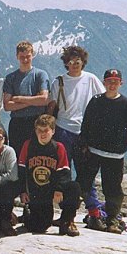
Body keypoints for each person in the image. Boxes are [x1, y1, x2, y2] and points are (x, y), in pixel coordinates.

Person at [76, 69, 127, 234]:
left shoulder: (125, 104)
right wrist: (82, 143)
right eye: (109, 81)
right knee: (82, 184)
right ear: (104, 82)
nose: (112, 84)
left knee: (112, 189)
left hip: (115, 155)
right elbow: (86, 125)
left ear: (121, 83)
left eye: (115, 81)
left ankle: (112, 219)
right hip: (93, 151)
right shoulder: (96, 101)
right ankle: (76, 215)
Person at [46, 46, 105, 225]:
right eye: (71, 62)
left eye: (77, 62)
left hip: (84, 132)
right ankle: (68, 214)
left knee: (85, 174)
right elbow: (51, 106)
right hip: (63, 129)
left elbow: (102, 101)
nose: (74, 65)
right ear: (66, 63)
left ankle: (94, 212)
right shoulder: (59, 82)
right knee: (64, 173)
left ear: (82, 62)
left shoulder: (91, 79)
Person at [18, 115, 81, 237]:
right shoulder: (28, 145)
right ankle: (29, 215)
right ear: (35, 130)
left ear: (53, 131)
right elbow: (21, 170)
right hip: (36, 190)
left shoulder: (58, 147)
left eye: (46, 130)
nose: (42, 134)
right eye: (39, 130)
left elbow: (64, 172)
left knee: (74, 187)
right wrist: (23, 191)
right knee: (39, 227)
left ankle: (67, 221)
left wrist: (59, 189)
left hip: (52, 188)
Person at [3, 41, 50, 158]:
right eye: (22, 57)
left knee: (37, 156)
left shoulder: (40, 75)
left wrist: (19, 99)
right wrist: (33, 101)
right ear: (17, 57)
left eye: (28, 56)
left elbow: (44, 99)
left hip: (37, 122)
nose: (25, 60)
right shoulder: (11, 78)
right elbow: (7, 106)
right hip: (17, 123)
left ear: (32, 55)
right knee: (18, 157)